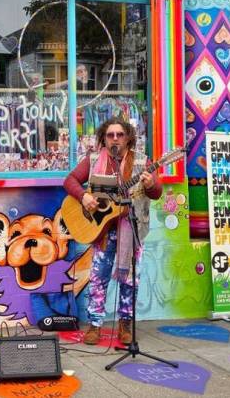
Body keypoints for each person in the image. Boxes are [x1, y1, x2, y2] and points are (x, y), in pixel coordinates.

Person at [63, 117, 162, 345]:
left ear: (128, 138)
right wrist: (84, 196)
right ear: (103, 139)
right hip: (104, 232)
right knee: (98, 278)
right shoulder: (93, 159)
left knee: (130, 279)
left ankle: (125, 324)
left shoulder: (142, 162)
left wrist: (150, 185)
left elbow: (157, 192)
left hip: (133, 229)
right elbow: (69, 181)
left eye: (119, 134)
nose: (115, 139)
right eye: (110, 135)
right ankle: (94, 325)